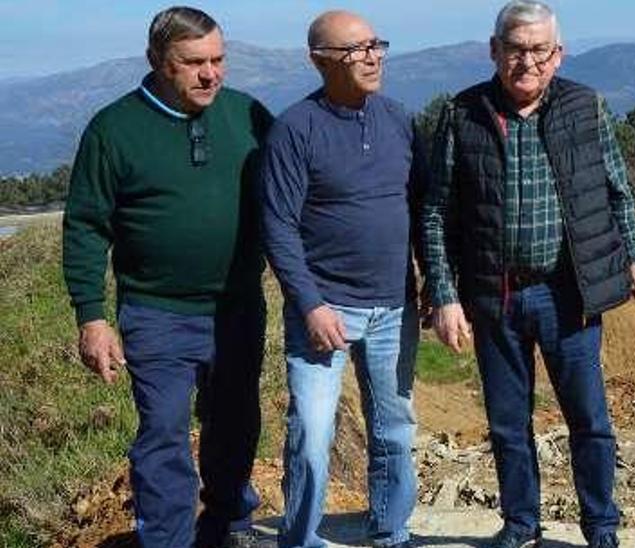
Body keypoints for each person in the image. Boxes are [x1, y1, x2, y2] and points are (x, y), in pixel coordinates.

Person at [422, 2, 635, 547]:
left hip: (567, 293)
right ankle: (521, 524)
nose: (526, 61)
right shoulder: (463, 114)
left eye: (538, 50)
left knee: (589, 422)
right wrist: (443, 293)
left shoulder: (585, 107)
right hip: (494, 295)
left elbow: (618, 192)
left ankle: (600, 527)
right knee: (508, 424)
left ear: (558, 55)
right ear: (494, 50)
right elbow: (436, 210)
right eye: (515, 49)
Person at [61, 6, 272, 548]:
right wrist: (92, 317)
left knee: (236, 423)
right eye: (194, 62)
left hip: (238, 309)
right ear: (158, 61)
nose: (211, 74)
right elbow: (86, 226)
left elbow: (292, 201)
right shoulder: (114, 129)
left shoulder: (249, 116)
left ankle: (229, 524)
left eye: (219, 60)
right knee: (162, 437)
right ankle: (167, 539)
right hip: (156, 311)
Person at [259, 10, 421, 548]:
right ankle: (301, 539)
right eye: (356, 49)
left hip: (394, 306)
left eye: (377, 44)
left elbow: (421, 211)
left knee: (395, 430)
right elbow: (278, 225)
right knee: (312, 435)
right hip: (323, 310)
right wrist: (309, 303)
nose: (372, 56)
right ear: (319, 60)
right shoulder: (294, 130)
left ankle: (390, 531)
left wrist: (436, 289)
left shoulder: (398, 118)